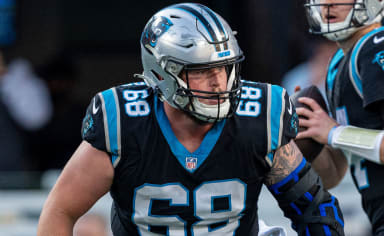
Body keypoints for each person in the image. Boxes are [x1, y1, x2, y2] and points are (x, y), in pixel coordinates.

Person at [37, 3, 344, 236]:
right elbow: (60, 211)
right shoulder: (123, 121)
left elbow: (315, 210)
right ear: (161, 74)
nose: (219, 82)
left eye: (224, 68)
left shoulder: (258, 117)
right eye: (202, 72)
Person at [297, 0, 384, 235]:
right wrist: (307, 134)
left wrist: (333, 132)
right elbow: (333, 173)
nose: (328, 4)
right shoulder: (339, 65)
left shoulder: (383, 44)